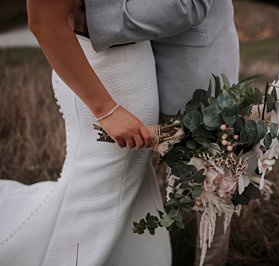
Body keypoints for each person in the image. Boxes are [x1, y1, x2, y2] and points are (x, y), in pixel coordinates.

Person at [0, 0, 170, 264]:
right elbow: (43, 23)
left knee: (125, 194)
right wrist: (106, 110)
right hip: (104, 81)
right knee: (94, 203)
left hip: (130, 63)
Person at [82, 0, 240, 264]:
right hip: (131, 77)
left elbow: (187, 6)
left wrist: (93, 18)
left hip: (191, 82)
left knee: (213, 196)